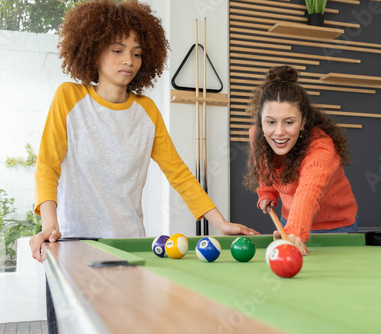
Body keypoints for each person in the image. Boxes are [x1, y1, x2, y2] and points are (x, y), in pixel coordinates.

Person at [29, 1, 257, 332]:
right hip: (74, 246)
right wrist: (49, 223)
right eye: (118, 49)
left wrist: (219, 222)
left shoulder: (147, 111)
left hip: (130, 248)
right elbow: (47, 166)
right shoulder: (69, 98)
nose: (129, 61)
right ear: (93, 50)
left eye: (137, 53)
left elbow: (178, 172)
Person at [244, 65, 358, 255]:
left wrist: (294, 231)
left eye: (289, 122)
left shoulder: (321, 148)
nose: (279, 132)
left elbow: (309, 192)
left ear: (303, 121)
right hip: (289, 223)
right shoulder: (258, 135)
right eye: (270, 122)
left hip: (335, 228)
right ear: (261, 121)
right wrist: (267, 193)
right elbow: (265, 167)